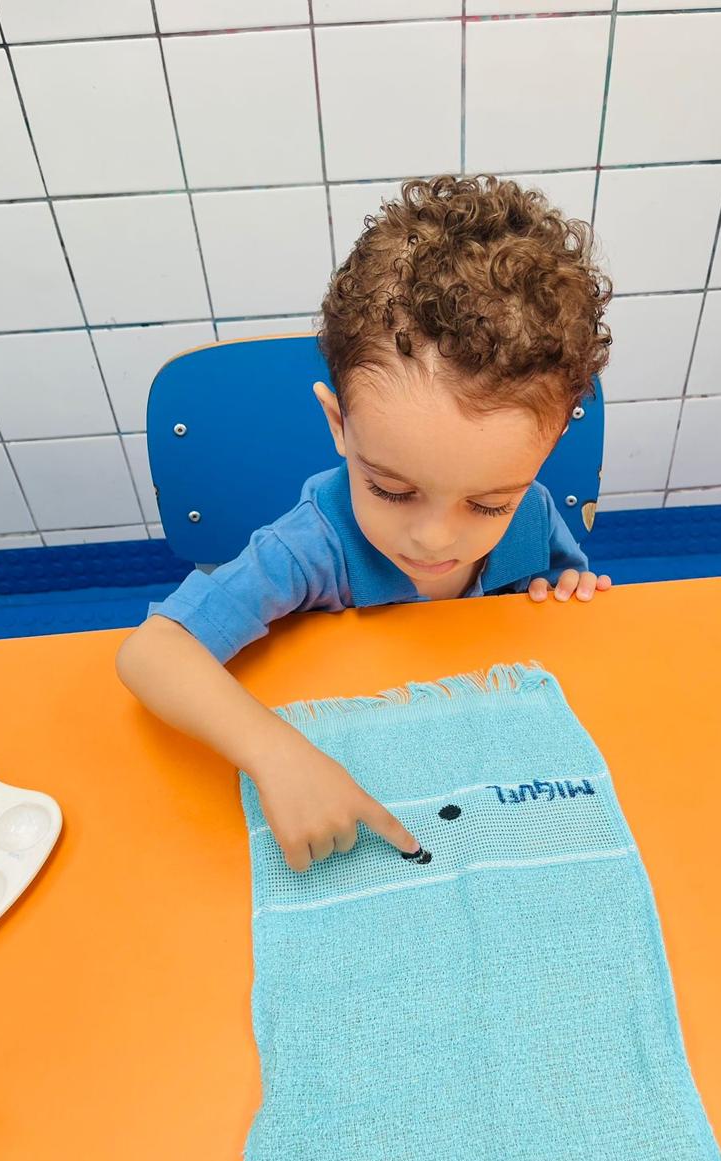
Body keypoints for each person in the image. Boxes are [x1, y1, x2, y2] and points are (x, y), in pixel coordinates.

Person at [116, 174, 613, 875]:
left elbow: (563, 603)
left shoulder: (532, 516)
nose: (435, 539)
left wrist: (567, 595)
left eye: (487, 505)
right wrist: (275, 754)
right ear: (338, 424)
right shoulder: (310, 548)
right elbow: (153, 653)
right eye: (392, 490)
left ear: (549, 446)